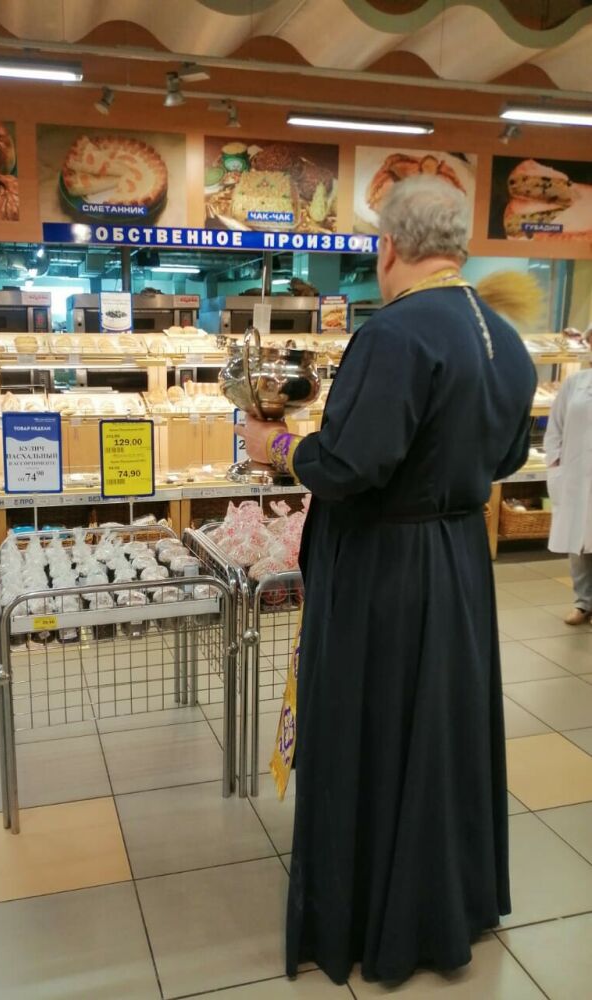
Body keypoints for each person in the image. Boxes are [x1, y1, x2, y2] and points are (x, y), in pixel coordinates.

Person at [237, 176, 537, 986]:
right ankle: (445, 901)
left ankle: (370, 912)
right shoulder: (503, 336)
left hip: (384, 566)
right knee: (441, 728)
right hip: (459, 556)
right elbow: (509, 455)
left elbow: (347, 466)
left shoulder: (396, 332)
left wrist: (274, 445)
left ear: (390, 246)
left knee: (371, 725)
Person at [544, 327, 592, 625]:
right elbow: (555, 426)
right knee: (578, 540)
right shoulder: (575, 383)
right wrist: (555, 461)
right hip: (576, 473)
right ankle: (583, 602)